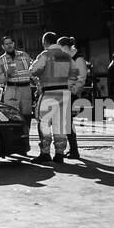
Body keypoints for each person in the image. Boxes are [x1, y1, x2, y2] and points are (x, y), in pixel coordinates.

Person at [29, 31, 73, 164]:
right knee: (60, 125)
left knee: (44, 124)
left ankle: (45, 153)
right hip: (64, 93)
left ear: (45, 42)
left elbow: (33, 70)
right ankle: (59, 154)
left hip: (48, 93)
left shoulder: (45, 55)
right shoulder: (66, 56)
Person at [62, 36, 89, 161]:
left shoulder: (78, 58)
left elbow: (82, 78)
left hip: (73, 95)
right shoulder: (68, 58)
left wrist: (74, 90)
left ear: (66, 47)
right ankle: (73, 149)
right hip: (66, 93)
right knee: (67, 122)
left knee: (68, 122)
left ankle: (74, 150)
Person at [0, 35, 33, 116]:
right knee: (12, 115)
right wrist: (7, 73)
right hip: (11, 90)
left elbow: (33, 71)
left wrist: (38, 84)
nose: (9, 45)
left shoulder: (24, 55)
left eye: (10, 43)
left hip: (26, 89)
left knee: (27, 114)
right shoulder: (1, 61)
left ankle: (26, 129)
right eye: (6, 44)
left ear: (14, 44)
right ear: (3, 46)